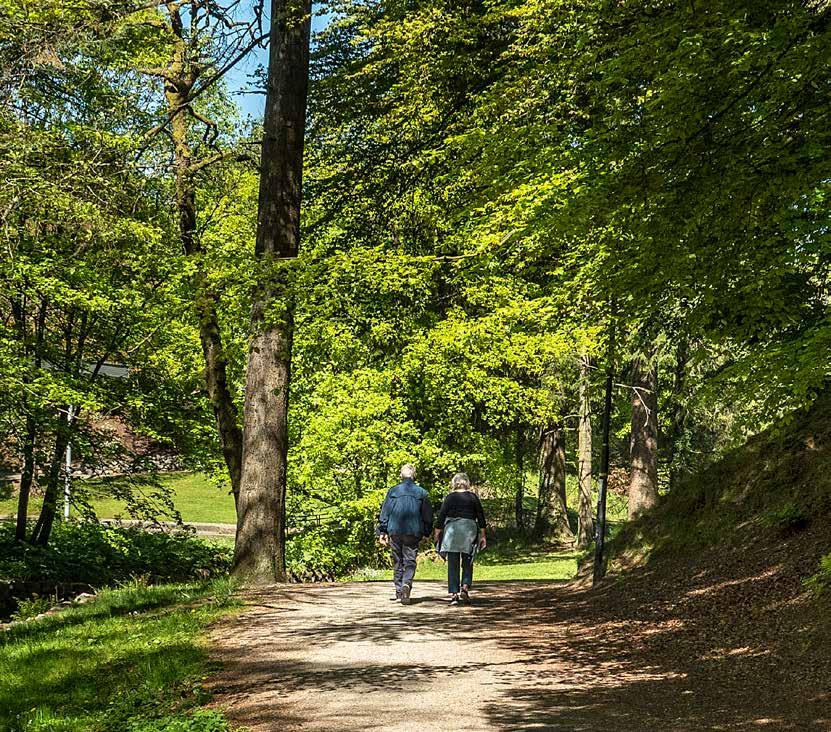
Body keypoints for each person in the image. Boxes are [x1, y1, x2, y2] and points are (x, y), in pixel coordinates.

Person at [377, 464, 433, 605]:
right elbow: (427, 515)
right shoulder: (422, 493)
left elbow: (385, 512)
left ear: (401, 476)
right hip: (412, 531)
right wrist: (426, 532)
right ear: (414, 476)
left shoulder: (393, 491)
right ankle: (406, 585)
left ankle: (398, 591)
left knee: (398, 560)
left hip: (394, 530)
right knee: (410, 560)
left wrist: (382, 531)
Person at [434, 472, 487, 606]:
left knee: (453, 562)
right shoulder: (473, 497)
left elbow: (442, 516)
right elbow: (480, 517)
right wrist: (483, 535)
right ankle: (465, 586)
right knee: (468, 560)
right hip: (469, 529)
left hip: (453, 530)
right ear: (467, 483)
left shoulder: (450, 497)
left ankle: (454, 594)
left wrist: (437, 533)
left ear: (454, 483)